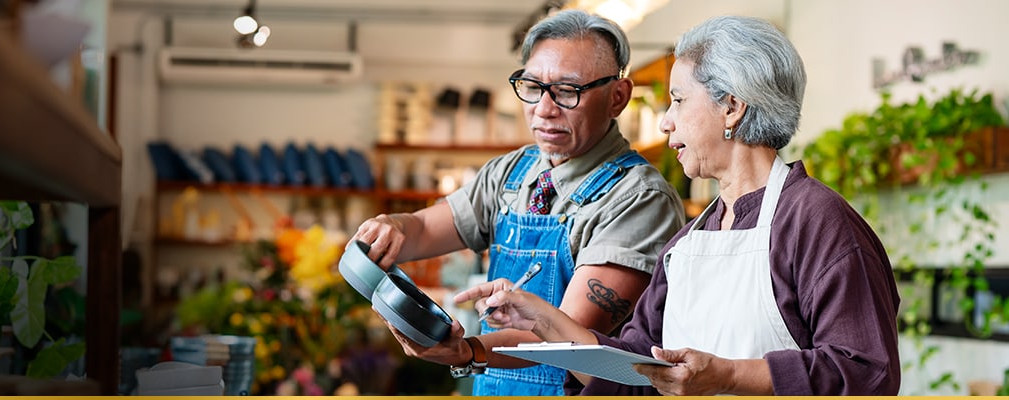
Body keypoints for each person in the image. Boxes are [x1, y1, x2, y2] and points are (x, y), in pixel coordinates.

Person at [460, 15, 901, 396]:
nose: (666, 120)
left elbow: (867, 372)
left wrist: (727, 375)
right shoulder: (691, 241)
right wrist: (543, 321)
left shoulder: (819, 222)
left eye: (678, 99)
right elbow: (635, 366)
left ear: (731, 107)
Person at [350, 9, 685, 396]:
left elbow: (562, 339)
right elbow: (425, 229)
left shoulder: (638, 199)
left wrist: (468, 351)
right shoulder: (512, 172)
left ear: (617, 97)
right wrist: (394, 227)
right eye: (531, 86)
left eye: (567, 90)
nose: (543, 109)